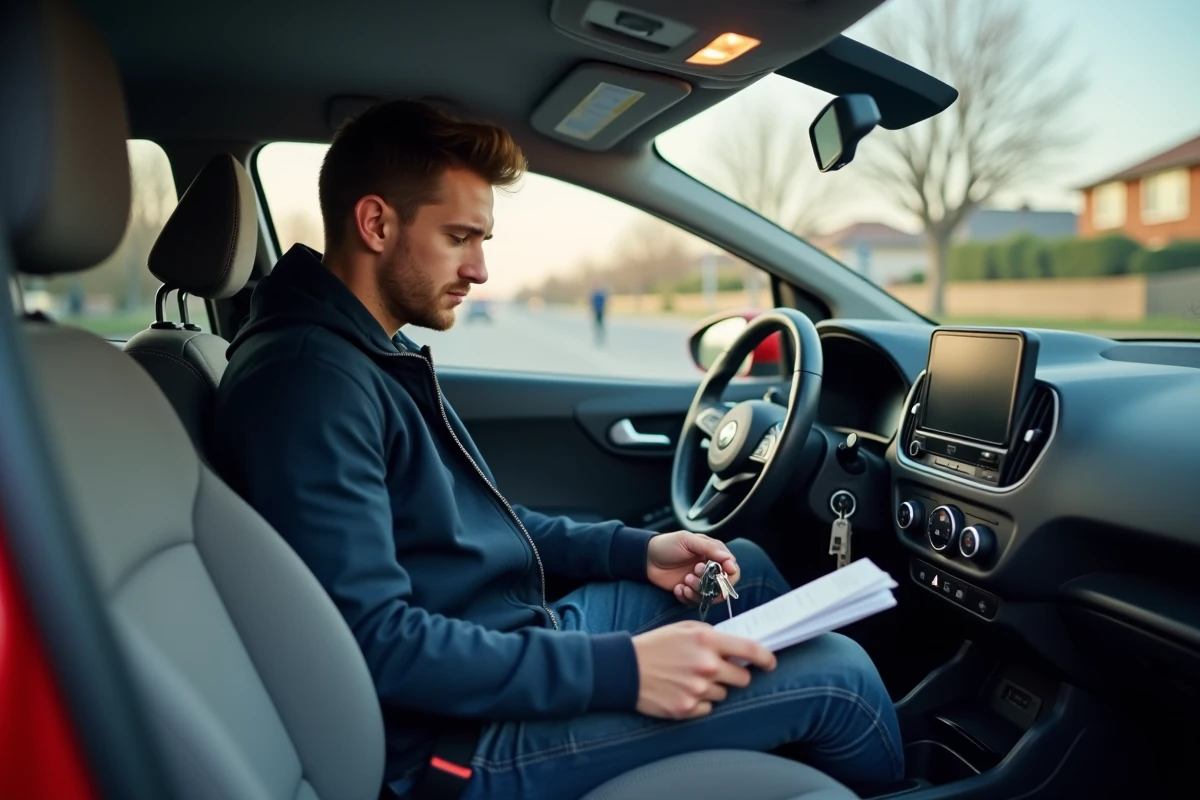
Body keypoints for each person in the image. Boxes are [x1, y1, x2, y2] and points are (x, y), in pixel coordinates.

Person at [213, 99, 903, 800]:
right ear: (376, 223)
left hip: (507, 645)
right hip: (458, 743)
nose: (479, 270)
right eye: (460, 237)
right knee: (840, 676)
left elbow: (477, 522)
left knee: (744, 569)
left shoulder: (367, 350)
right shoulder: (309, 382)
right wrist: (626, 672)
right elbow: (376, 642)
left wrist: (635, 550)